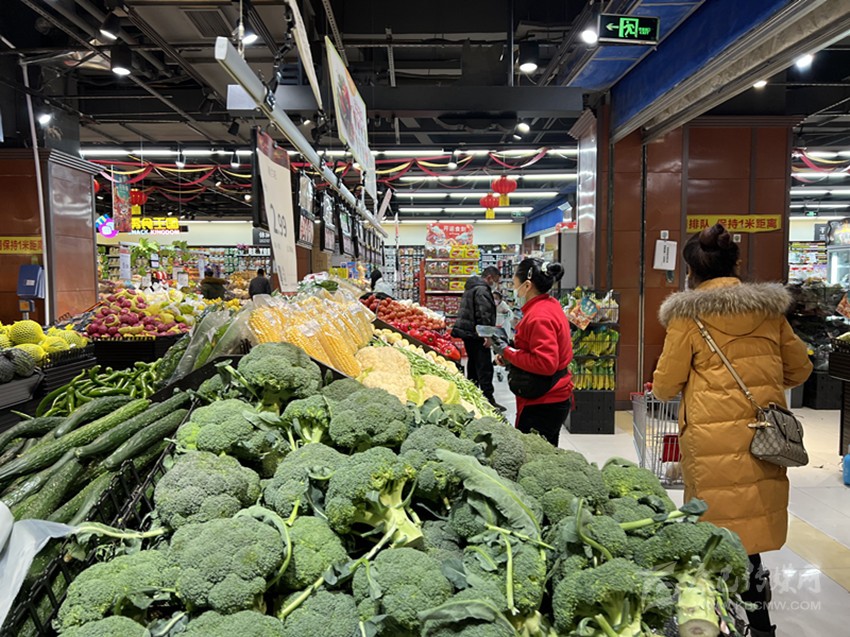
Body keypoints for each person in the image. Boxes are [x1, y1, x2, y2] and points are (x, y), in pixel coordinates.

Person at [651, 224, 812, 637]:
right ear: (736, 264)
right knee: (749, 540)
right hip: (764, 439)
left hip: (711, 443)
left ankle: (712, 620)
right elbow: (800, 368)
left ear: (691, 272)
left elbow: (665, 386)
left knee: (712, 537)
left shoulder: (688, 317)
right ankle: (760, 624)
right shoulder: (769, 311)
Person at [489, 259, 572, 444]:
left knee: (534, 454)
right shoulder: (549, 304)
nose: (514, 289)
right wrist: (511, 355)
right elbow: (535, 348)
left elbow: (545, 363)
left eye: (514, 284)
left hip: (544, 401)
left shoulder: (539, 316)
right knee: (547, 451)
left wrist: (508, 352)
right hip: (553, 395)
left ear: (527, 285)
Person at [452, 266, 504, 411]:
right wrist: (487, 335)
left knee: (473, 365)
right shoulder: (482, 290)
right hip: (477, 334)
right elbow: (484, 313)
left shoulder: (472, 287)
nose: (496, 284)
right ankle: (488, 400)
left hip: (469, 333)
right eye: (495, 280)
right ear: (489, 277)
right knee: (485, 367)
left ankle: (472, 396)